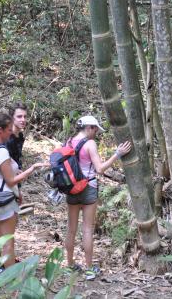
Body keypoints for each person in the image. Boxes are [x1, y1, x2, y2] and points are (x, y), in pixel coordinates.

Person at [64, 115, 132, 280]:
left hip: (71, 187)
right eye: (95, 129)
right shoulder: (90, 144)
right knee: (87, 228)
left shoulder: (69, 141)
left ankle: (70, 265)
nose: (96, 133)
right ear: (89, 128)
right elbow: (100, 169)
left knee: (71, 228)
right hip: (88, 187)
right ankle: (88, 268)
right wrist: (118, 154)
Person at [0, 113, 47, 268]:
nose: (11, 132)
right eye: (9, 130)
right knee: (8, 243)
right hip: (4, 200)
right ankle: (11, 281)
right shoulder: (1, 151)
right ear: (0, 130)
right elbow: (11, 180)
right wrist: (31, 169)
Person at [6, 102, 28, 170]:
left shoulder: (20, 135)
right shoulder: (6, 136)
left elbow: (16, 157)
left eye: (25, 116)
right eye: (19, 117)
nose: (23, 120)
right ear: (11, 118)